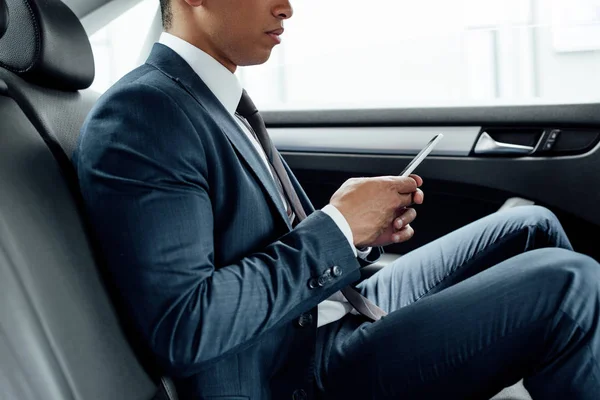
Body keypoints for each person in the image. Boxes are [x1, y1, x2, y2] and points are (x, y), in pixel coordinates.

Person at [73, 0, 600, 399]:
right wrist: (339, 229)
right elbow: (187, 327)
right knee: (569, 285)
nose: (288, 8)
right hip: (290, 370)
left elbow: (262, 237)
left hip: (323, 313)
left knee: (529, 226)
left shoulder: (212, 96)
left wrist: (359, 232)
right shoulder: (146, 114)